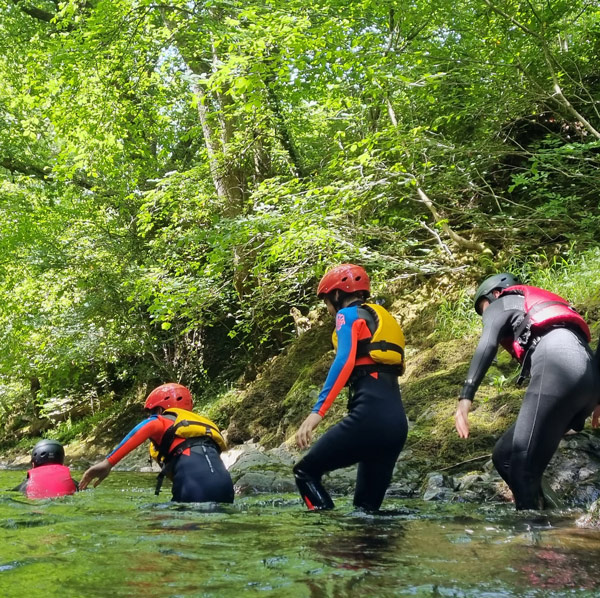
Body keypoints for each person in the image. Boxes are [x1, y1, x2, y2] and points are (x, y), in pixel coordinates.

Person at [454, 273, 600, 510]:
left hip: (557, 369)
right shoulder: (542, 305)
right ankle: (553, 516)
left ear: (496, 293)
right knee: (504, 456)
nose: (486, 315)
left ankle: (532, 538)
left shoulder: (503, 301)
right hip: (587, 379)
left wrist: (465, 398)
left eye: (484, 308)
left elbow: (487, 343)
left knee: (521, 466)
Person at [294, 264, 408, 511]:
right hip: (396, 427)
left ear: (337, 295)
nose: (327, 308)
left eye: (326, 301)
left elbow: (343, 361)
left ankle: (323, 537)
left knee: (304, 472)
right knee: (366, 513)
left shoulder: (346, 316)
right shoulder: (375, 316)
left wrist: (317, 413)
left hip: (368, 420)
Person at [79, 383, 234, 503]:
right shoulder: (203, 426)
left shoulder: (163, 421)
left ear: (160, 410)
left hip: (195, 491)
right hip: (227, 491)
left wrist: (108, 463)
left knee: (152, 520)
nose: (151, 416)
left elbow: (145, 427)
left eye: (152, 412)